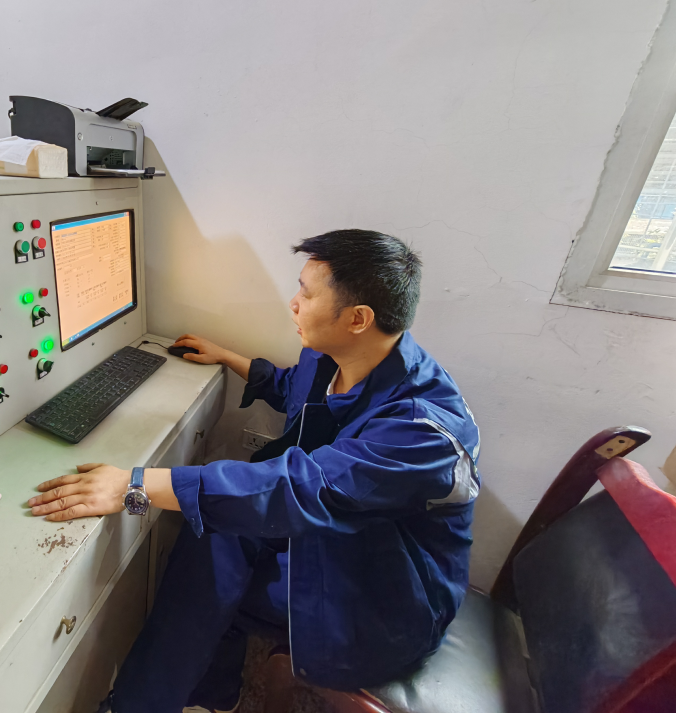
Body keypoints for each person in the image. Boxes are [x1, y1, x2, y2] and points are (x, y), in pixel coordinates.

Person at [28, 229, 480, 713]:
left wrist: (133, 485)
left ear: (357, 318)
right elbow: (296, 389)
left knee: (209, 576)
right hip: (342, 540)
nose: (294, 303)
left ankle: (147, 703)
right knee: (215, 534)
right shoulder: (344, 357)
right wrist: (229, 357)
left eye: (306, 293)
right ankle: (205, 694)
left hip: (385, 599)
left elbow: (303, 489)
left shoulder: (423, 430)